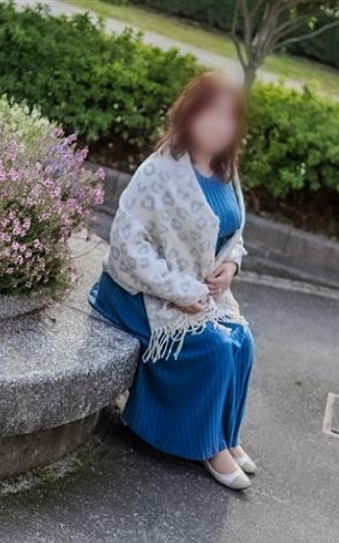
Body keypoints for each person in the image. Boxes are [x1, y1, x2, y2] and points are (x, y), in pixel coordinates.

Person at [89, 72, 256, 490]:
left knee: (242, 340)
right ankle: (205, 445)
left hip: (200, 292)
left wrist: (232, 266)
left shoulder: (226, 172)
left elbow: (231, 237)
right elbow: (128, 246)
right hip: (138, 292)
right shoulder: (160, 171)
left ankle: (225, 434)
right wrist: (180, 290)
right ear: (189, 112)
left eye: (229, 117)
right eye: (210, 113)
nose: (218, 124)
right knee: (212, 348)